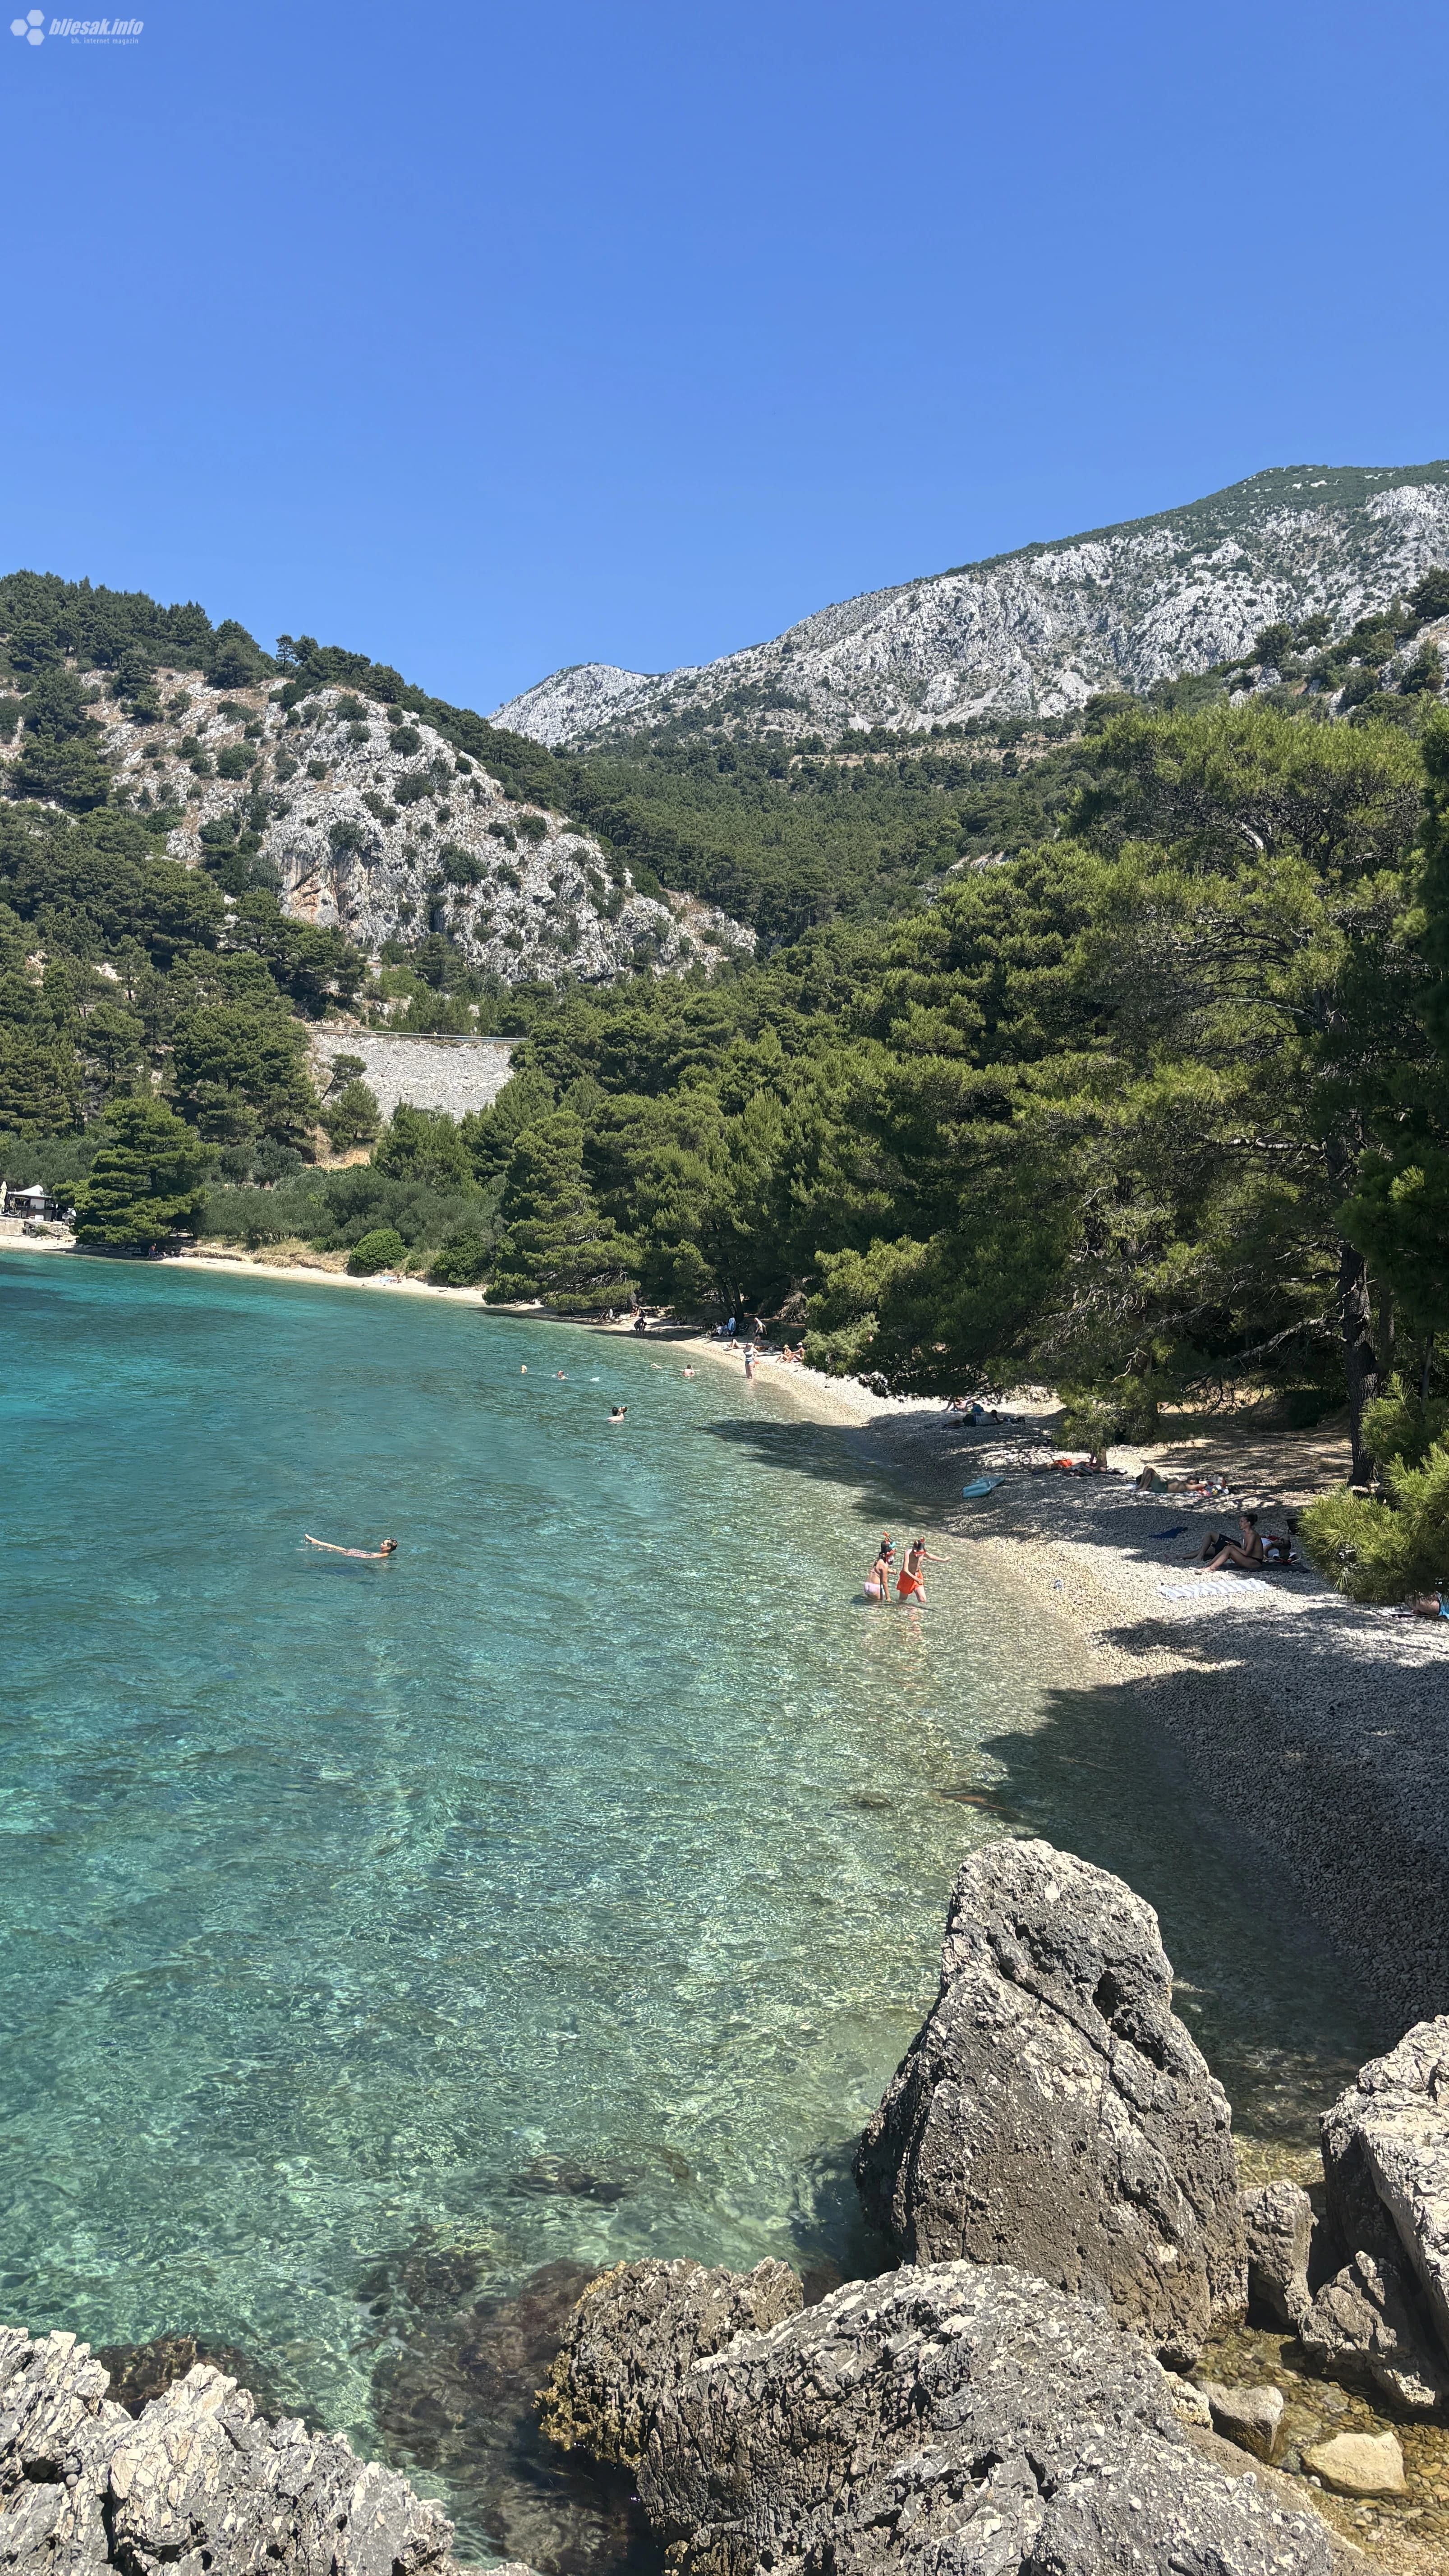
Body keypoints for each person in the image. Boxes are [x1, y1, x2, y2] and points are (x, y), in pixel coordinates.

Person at [1200, 1513, 1265, 1571]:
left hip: (1255, 1562)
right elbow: (1244, 1550)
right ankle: (1208, 1566)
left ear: (1248, 1523)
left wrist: (1234, 1546)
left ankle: (1212, 1568)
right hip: (1248, 1559)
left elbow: (1247, 1553)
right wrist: (1233, 1546)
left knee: (1230, 1549)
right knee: (1227, 1548)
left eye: (1242, 1522)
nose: (1240, 1523)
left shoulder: (1253, 1535)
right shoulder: (1245, 1534)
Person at [897, 1538, 944, 1603]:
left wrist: (943, 1560)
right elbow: (905, 1570)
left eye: (920, 1553)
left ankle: (916, 1610)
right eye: (916, 1553)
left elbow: (930, 1556)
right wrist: (916, 1579)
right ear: (913, 1548)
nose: (918, 1555)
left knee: (923, 1600)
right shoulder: (908, 1553)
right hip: (907, 1577)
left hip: (918, 1575)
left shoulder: (922, 1551)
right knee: (902, 1600)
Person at [305, 1534, 397, 1559]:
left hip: (358, 1555)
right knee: (337, 1549)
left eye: (384, 1544)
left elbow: (370, 1558)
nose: (381, 1544)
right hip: (360, 1554)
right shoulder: (384, 1556)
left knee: (336, 1549)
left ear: (389, 1548)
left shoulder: (383, 1557)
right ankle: (317, 1544)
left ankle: (317, 1543)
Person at [867, 1538, 894, 1604]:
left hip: (867, 1585)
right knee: (877, 1607)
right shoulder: (884, 1565)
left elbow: (877, 1571)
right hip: (875, 1587)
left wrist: (889, 1571)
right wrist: (888, 1598)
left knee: (870, 1605)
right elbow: (885, 1583)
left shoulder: (876, 1561)